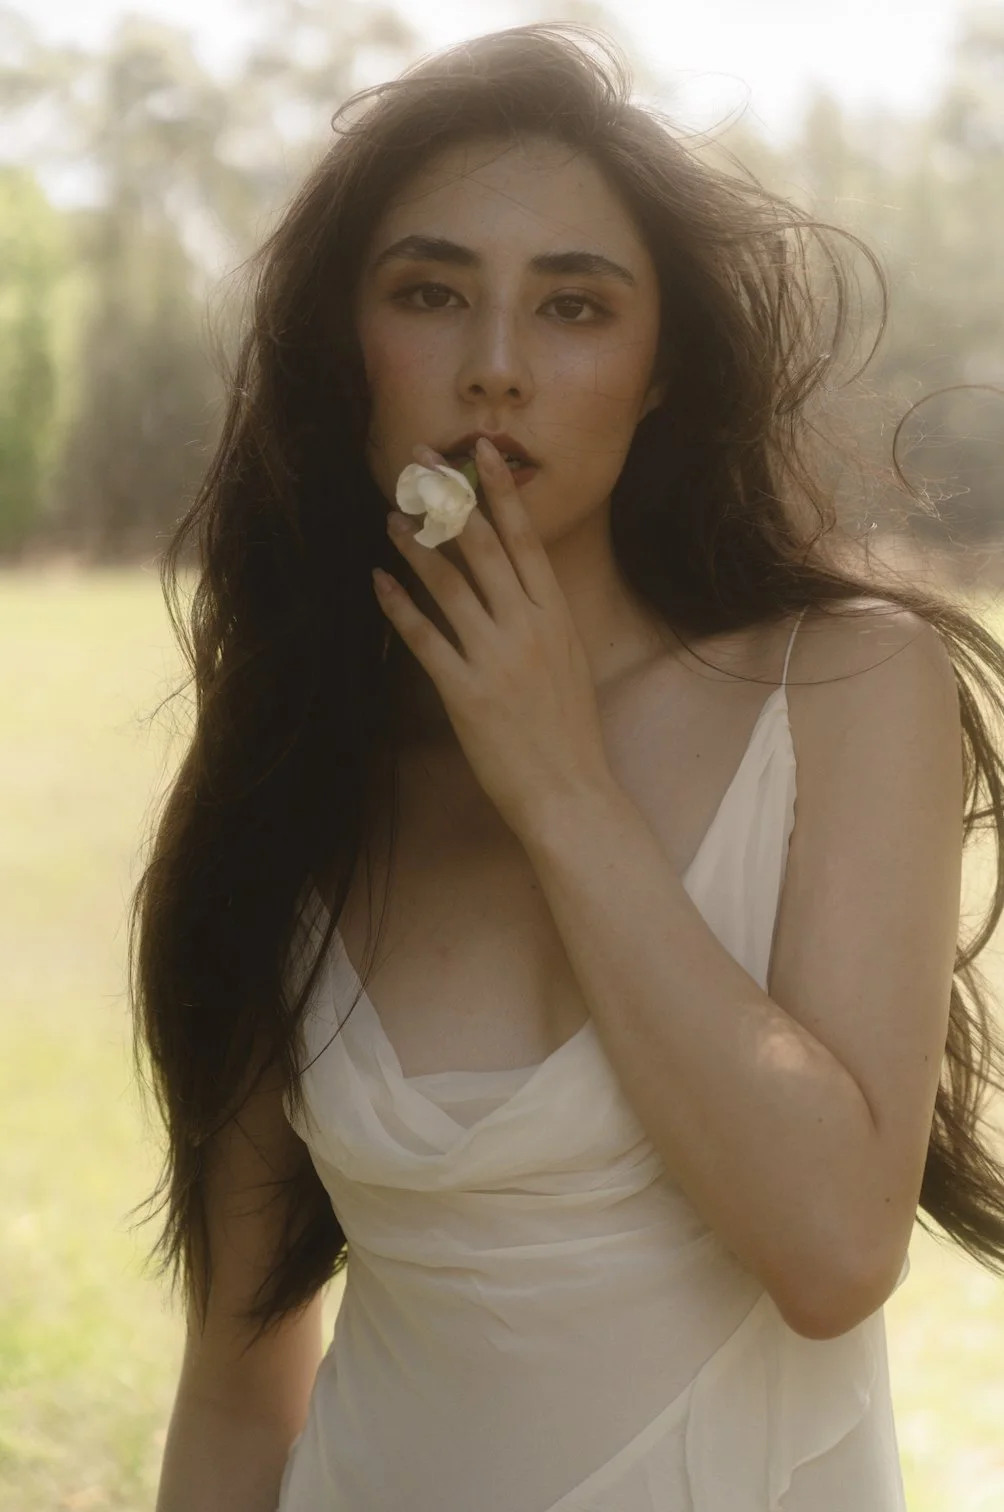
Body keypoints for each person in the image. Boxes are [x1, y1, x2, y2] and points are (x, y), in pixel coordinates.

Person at [131, 23, 1004, 1512]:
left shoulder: (849, 685)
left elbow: (833, 1253)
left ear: (664, 372)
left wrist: (557, 785)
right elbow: (235, 1394)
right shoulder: (297, 758)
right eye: (429, 293)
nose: (495, 370)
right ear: (352, 350)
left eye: (575, 307)